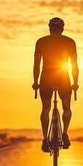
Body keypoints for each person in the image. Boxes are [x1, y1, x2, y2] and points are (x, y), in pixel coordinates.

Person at [32, 17, 79, 152]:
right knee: (66, 107)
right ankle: (64, 133)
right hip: (63, 77)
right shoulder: (70, 42)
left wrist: (36, 82)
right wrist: (75, 83)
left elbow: (36, 65)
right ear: (62, 29)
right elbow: (74, 65)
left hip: (46, 77)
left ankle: (45, 139)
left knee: (45, 109)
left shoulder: (41, 42)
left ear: (50, 29)